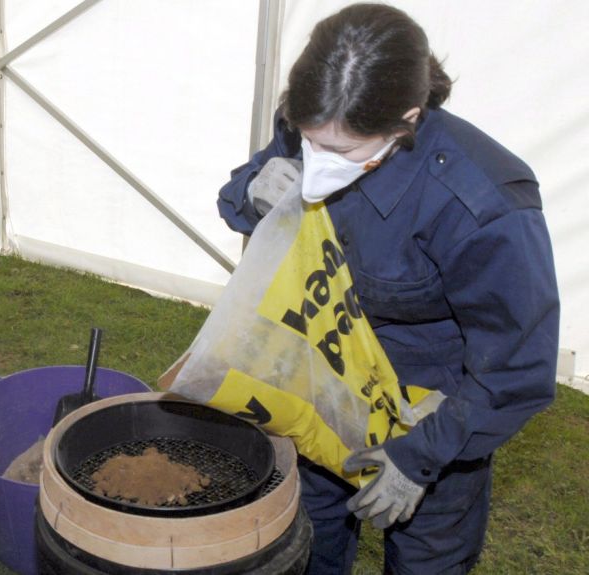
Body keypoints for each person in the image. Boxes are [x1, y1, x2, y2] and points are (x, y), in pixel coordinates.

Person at [217, 4, 559, 574]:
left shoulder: (482, 204)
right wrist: (253, 189)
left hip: (431, 417)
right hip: (323, 390)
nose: (319, 164)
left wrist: (420, 456)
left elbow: (517, 370)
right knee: (306, 544)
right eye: (308, 144)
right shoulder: (320, 116)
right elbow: (240, 192)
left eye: (344, 152)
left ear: (406, 119)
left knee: (427, 560)